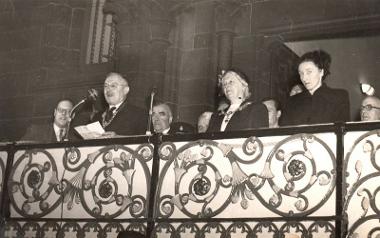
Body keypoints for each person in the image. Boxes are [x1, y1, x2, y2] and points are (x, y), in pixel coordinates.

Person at [280, 50, 350, 126]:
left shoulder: (339, 97)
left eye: (309, 72)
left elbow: (342, 130)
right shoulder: (291, 102)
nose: (304, 78)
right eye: (301, 73)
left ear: (321, 72)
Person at [90, 72, 146, 138]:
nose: (108, 89)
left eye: (113, 86)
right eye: (105, 86)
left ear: (125, 90)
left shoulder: (139, 115)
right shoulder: (96, 117)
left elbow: (144, 142)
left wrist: (118, 137)